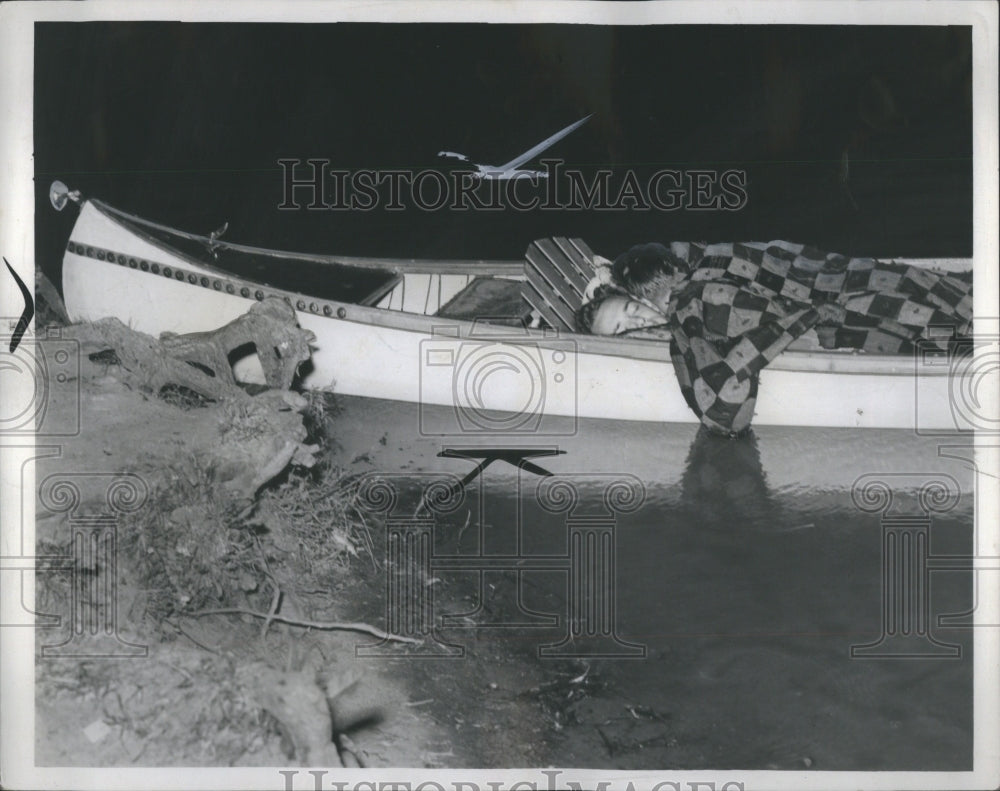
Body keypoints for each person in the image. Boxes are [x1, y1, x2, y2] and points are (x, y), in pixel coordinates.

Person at [577, 240, 973, 437]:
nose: (637, 324)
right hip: (856, 306)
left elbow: (724, 411)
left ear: (640, 296)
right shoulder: (690, 294)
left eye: (631, 311)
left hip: (850, 294)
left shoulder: (688, 300)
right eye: (621, 333)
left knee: (925, 310)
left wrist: (801, 316)